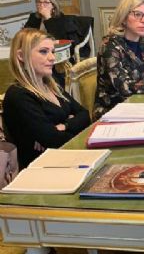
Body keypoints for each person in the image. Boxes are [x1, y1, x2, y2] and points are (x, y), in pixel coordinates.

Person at [3, 28, 90, 169]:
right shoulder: (18, 95)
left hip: (68, 159)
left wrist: (65, 126)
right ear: (21, 56)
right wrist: (72, 123)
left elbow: (85, 115)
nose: (52, 58)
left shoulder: (52, 85)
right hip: (43, 169)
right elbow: (54, 140)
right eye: (43, 52)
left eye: (52, 52)